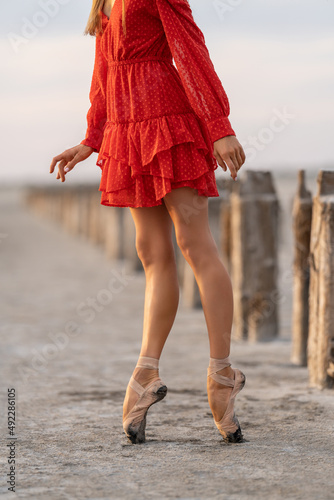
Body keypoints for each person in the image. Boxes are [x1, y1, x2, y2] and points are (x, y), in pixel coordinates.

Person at [49, 0, 246, 445]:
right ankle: (147, 370)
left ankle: (220, 372)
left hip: (169, 122)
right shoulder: (103, 3)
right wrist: (90, 140)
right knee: (152, 255)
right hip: (126, 129)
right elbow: (103, 77)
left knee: (196, 246)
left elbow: (189, 48)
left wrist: (218, 125)